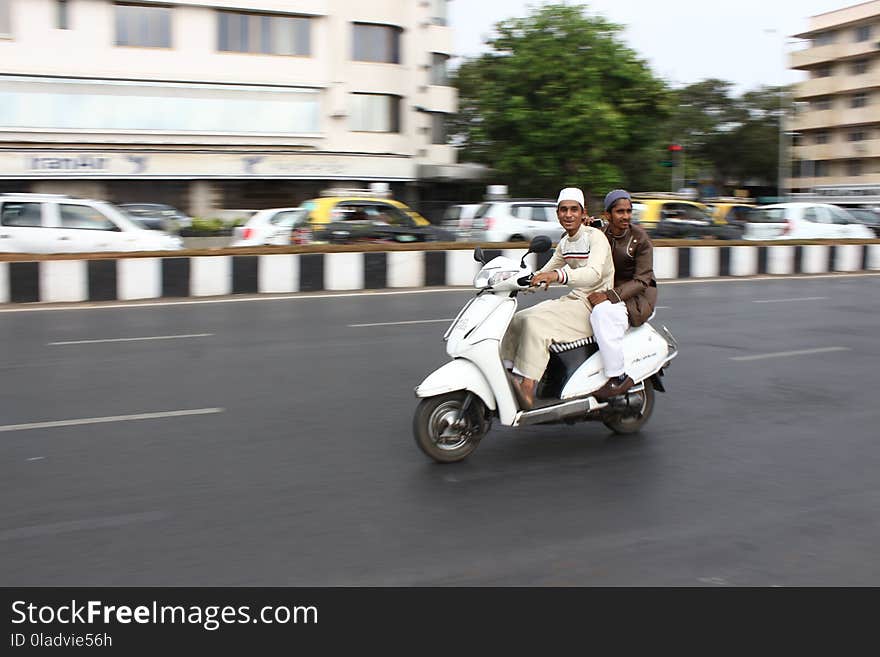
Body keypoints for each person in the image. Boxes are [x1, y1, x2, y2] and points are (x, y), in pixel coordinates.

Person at [501, 187, 614, 410]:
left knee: (536, 325)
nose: (568, 214)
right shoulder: (565, 243)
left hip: (595, 304)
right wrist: (515, 282)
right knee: (518, 318)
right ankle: (506, 373)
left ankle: (527, 386)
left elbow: (592, 274)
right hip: (574, 300)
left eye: (574, 209)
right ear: (557, 213)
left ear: (583, 213)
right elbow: (545, 271)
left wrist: (556, 276)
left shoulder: (596, 238)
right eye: (563, 210)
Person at [588, 189, 657, 401]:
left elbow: (642, 280)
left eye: (628, 211)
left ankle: (618, 376)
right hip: (607, 291)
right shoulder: (600, 233)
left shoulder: (640, 239)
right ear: (608, 215)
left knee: (601, 314)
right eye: (620, 212)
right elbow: (569, 247)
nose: (626, 216)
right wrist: (582, 230)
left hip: (636, 297)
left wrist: (610, 295)